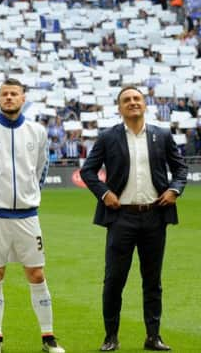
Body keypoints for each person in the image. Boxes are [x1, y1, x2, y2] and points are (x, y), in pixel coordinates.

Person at [80, 86, 187, 352]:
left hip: (154, 216)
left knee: (152, 281)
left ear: (145, 104)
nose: (132, 103)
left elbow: (180, 168)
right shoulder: (108, 137)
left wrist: (175, 190)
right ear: (119, 108)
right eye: (126, 100)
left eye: (136, 99)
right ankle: (110, 337)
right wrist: (104, 194)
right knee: (114, 279)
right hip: (121, 218)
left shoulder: (161, 135)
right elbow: (88, 171)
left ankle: (153, 337)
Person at [0, 79, 65, 353]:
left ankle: (48, 338)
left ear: (23, 98)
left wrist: (29, 194)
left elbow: (40, 170)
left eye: (14, 94)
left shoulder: (37, 131)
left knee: (36, 274)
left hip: (27, 216)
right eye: (4, 94)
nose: (9, 97)